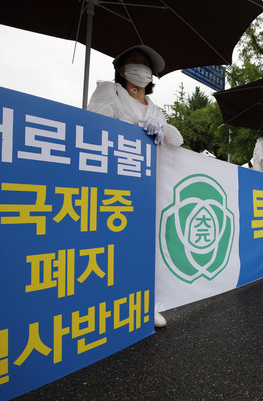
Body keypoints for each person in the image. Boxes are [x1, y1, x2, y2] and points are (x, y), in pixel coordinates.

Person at [88, 45, 183, 329]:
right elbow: (95, 123)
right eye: (134, 63)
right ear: (121, 69)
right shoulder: (110, 92)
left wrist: (160, 128)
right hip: (115, 179)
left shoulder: (154, 108)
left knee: (145, 243)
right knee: (113, 243)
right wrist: (135, 125)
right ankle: (106, 303)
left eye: (146, 65)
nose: (140, 69)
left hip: (147, 184)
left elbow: (176, 140)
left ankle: (145, 303)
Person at [87, 44, 183, 147]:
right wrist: (137, 128)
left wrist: (164, 131)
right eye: (134, 60)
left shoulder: (156, 111)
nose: (141, 66)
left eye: (146, 63)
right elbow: (94, 125)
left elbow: (176, 143)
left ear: (150, 74)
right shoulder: (112, 91)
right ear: (122, 70)